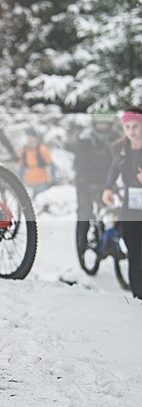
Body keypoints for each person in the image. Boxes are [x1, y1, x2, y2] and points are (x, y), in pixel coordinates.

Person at [102, 107, 142, 299]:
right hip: (131, 205)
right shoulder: (122, 149)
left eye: (135, 126)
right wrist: (108, 188)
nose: (131, 131)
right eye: (127, 127)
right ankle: (138, 295)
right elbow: (113, 169)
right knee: (133, 248)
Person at [73, 111, 118, 258]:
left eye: (106, 124)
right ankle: (81, 245)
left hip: (106, 181)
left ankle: (111, 244)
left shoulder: (115, 138)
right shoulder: (85, 139)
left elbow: (119, 160)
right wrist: (82, 180)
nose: (103, 127)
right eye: (100, 124)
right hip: (86, 181)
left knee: (110, 211)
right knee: (84, 211)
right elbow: (79, 162)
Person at [17, 127, 55, 199]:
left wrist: (52, 180)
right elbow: (20, 167)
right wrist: (19, 181)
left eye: (31, 137)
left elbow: (51, 164)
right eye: (28, 137)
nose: (29, 139)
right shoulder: (23, 151)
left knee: (42, 201)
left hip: (42, 183)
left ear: (35, 138)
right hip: (29, 183)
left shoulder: (41, 149)